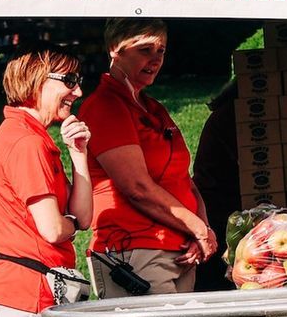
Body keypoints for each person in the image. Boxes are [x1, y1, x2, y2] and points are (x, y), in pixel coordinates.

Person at [76, 18, 216, 298]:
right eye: (144, 49)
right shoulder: (106, 106)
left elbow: (184, 179)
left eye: (160, 51)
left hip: (180, 251)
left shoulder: (152, 106)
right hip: (135, 253)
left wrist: (202, 229)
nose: (154, 59)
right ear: (115, 48)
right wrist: (197, 228)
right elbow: (136, 188)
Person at [0, 49, 94, 317]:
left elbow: (83, 217)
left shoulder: (33, 137)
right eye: (70, 80)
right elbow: (53, 229)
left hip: (32, 291)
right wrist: (71, 225)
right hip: (22, 294)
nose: (78, 91)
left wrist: (78, 155)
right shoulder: (26, 142)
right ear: (37, 80)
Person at [190, 81, 241, 291]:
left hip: (220, 206)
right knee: (218, 282)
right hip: (219, 211)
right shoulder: (234, 116)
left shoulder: (228, 112)